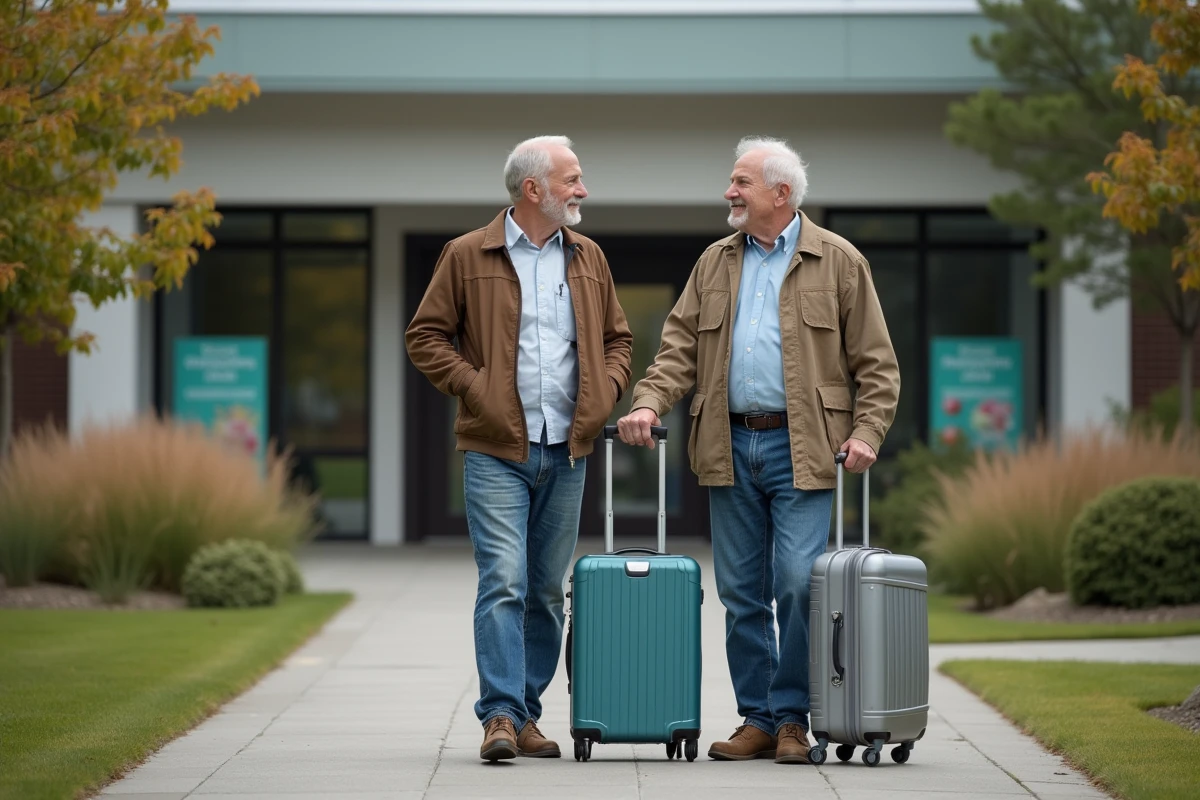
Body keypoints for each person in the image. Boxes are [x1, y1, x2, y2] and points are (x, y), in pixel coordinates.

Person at [616, 135, 899, 765]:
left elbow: (877, 365)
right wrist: (647, 402)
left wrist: (868, 432)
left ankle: (794, 716)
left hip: (806, 448)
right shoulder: (715, 261)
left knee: (798, 582)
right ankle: (759, 718)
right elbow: (678, 349)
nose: (729, 192)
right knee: (742, 591)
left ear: (781, 193)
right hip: (727, 442)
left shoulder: (839, 260)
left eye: (740, 182)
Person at [405, 135, 633, 763]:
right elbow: (425, 336)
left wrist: (604, 396)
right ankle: (499, 715)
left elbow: (619, 340)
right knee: (503, 579)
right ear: (534, 189)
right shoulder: (465, 254)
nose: (582, 190)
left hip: (567, 449)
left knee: (544, 590)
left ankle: (526, 715)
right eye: (573, 179)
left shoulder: (588, 257)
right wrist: (476, 388)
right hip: (495, 448)